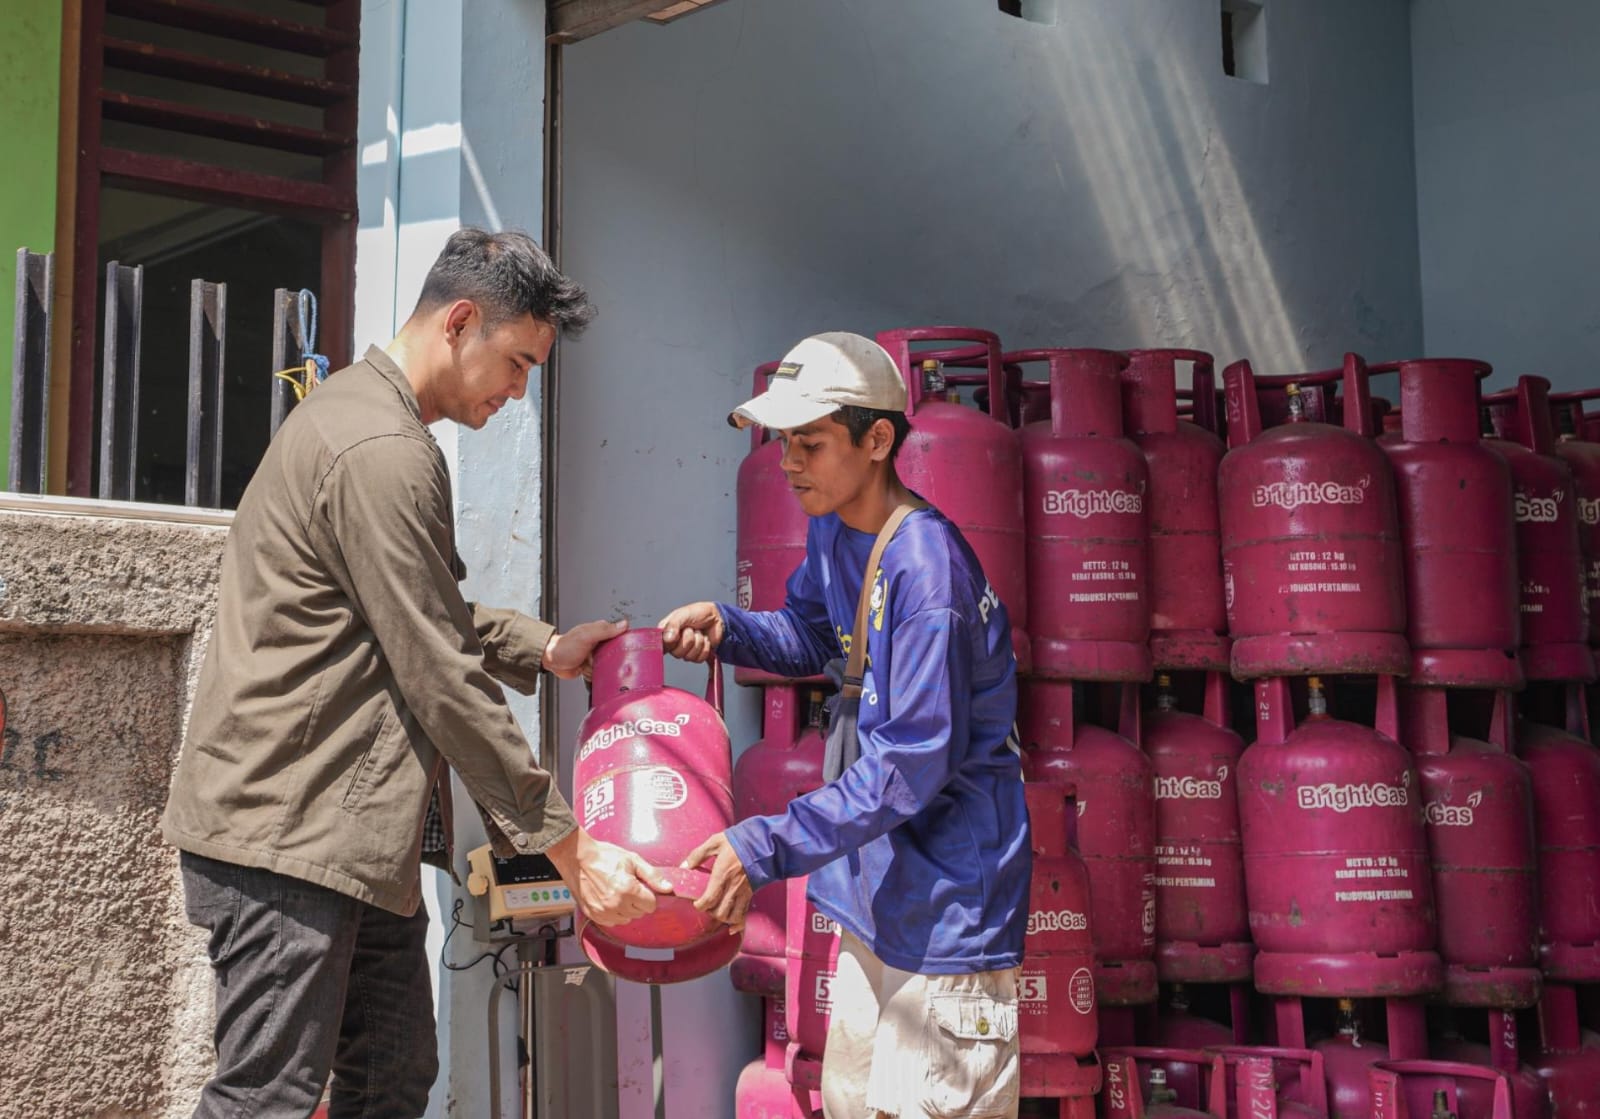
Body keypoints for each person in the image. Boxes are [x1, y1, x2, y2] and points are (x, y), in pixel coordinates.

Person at [162, 228, 668, 1118]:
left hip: (351, 838)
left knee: (389, 1079)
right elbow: (440, 671)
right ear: (460, 321)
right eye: (517, 363)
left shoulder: (369, 424)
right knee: (266, 1098)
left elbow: (416, 612)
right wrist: (570, 847)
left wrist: (542, 647)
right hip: (292, 830)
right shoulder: (380, 448)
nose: (518, 393)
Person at [660, 332, 1031, 1119]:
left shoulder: (929, 577)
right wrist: (730, 626)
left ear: (877, 440)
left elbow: (907, 768)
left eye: (812, 442)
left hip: (949, 911)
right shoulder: (835, 527)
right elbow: (814, 637)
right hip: (876, 899)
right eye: (783, 442)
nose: (790, 462)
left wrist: (761, 846)